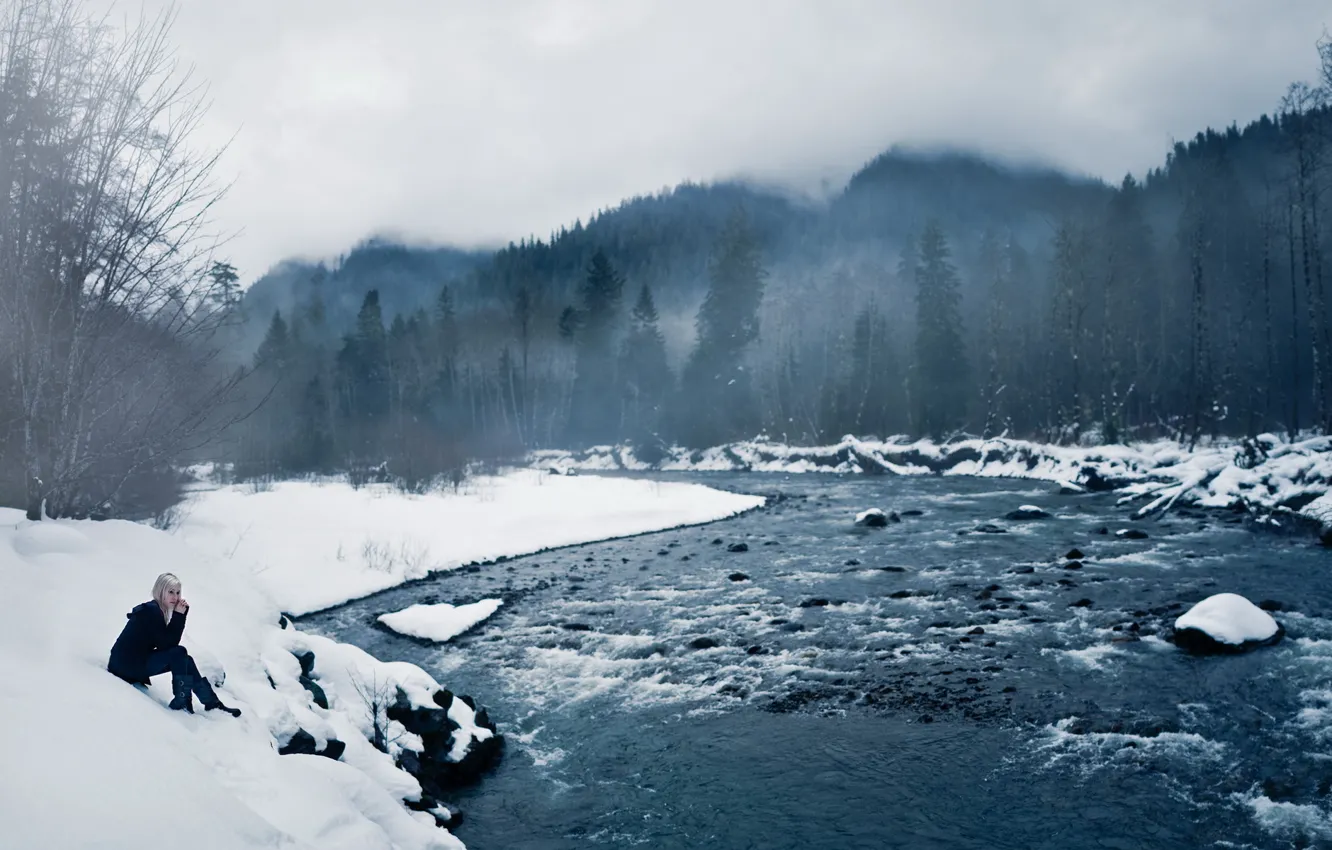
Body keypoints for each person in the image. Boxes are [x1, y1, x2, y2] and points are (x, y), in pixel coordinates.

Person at [108, 572, 241, 717]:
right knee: (179, 653)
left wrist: (179, 616)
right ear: (160, 591)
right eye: (171, 592)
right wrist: (179, 616)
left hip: (134, 662)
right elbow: (168, 645)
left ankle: (211, 703)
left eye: (178, 593)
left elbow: (167, 643)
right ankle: (183, 701)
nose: (175, 597)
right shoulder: (151, 612)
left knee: (185, 659)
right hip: (124, 666)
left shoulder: (158, 610)